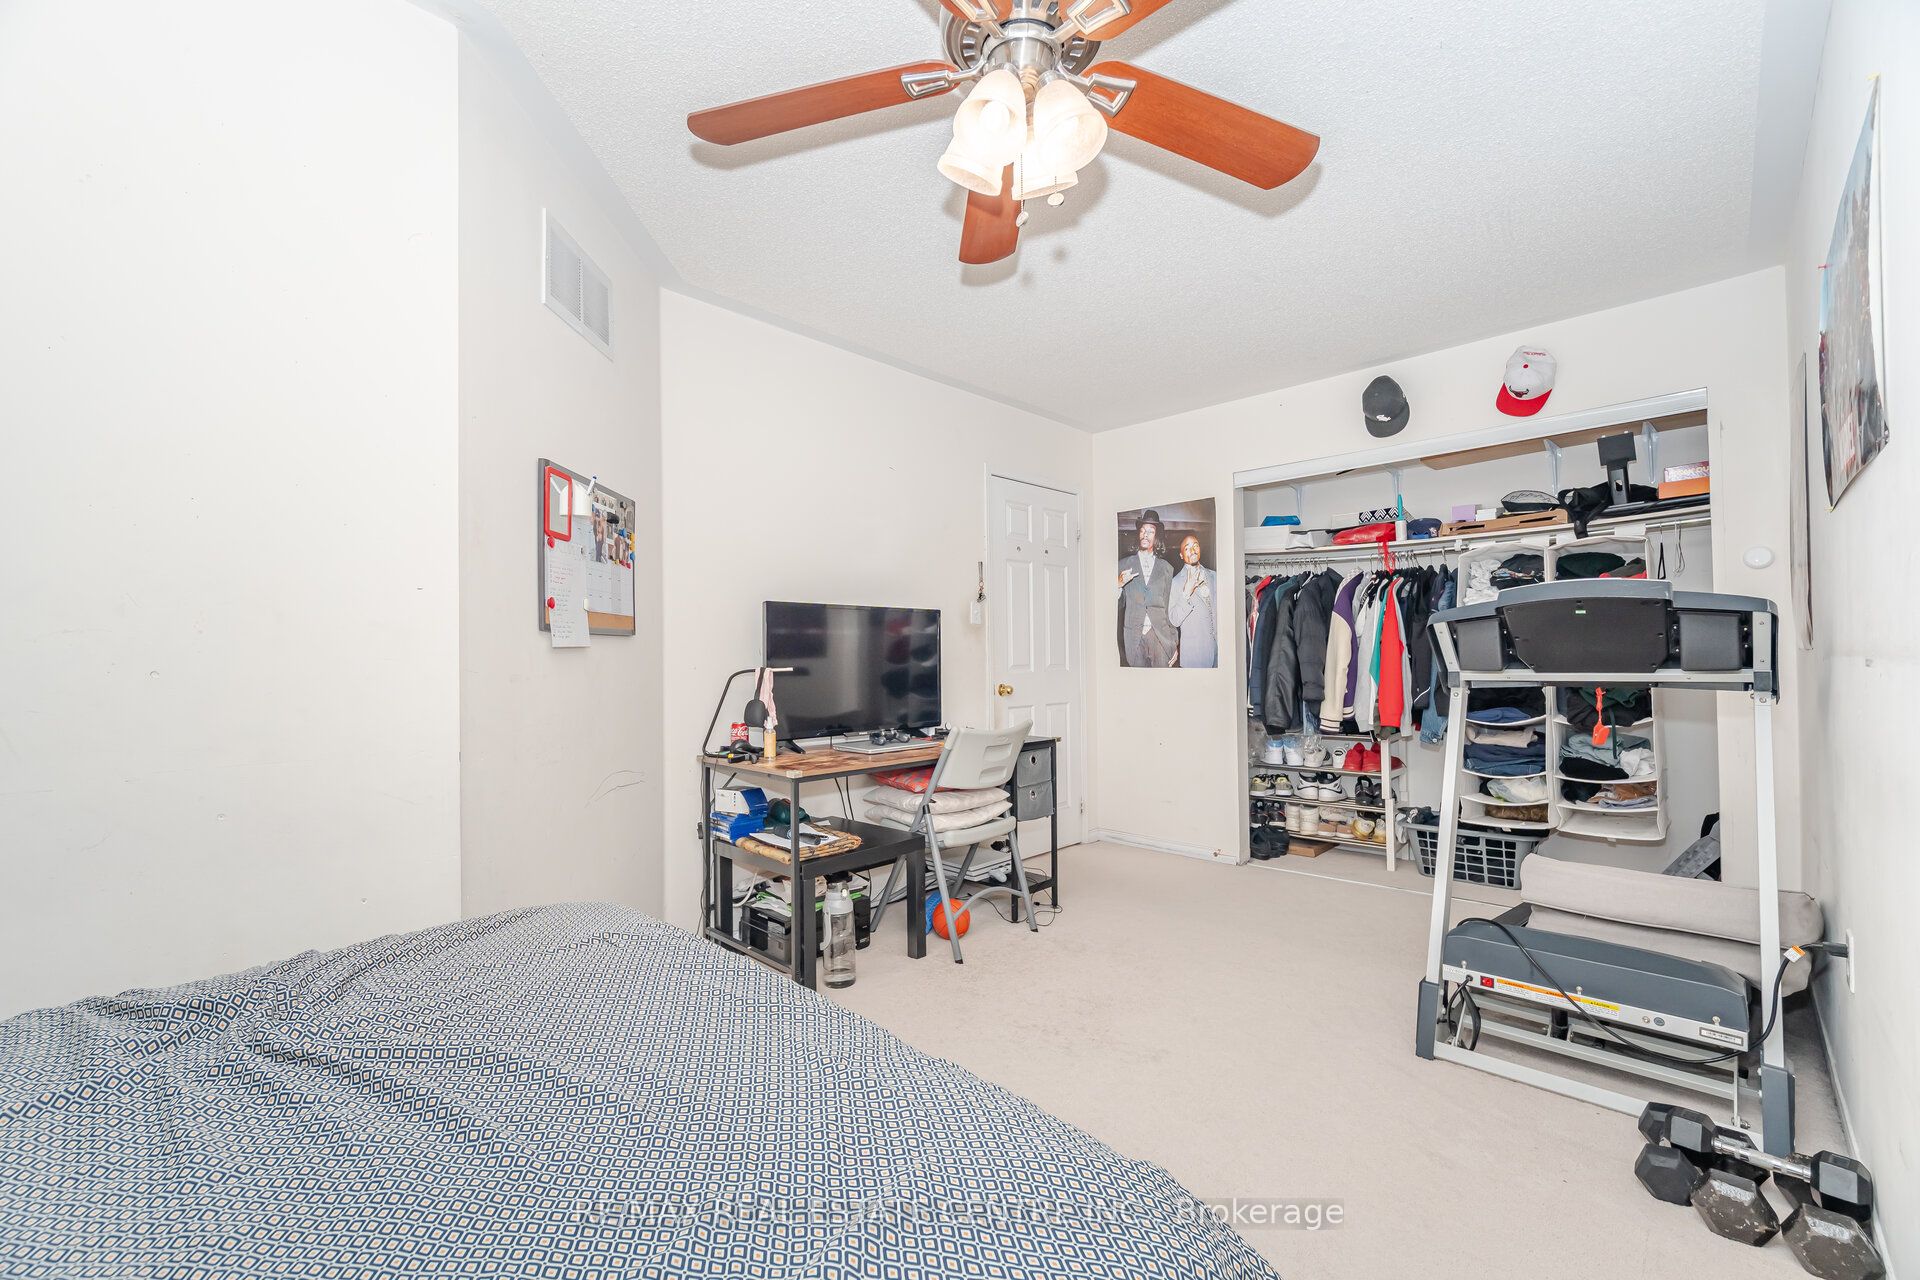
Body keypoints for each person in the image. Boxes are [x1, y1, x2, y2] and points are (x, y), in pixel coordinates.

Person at [1116, 510, 1177, 667]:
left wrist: (1174, 642)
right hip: (1133, 638)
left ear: (1156, 537)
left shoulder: (1167, 568)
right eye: (1143, 530)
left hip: (1160, 638)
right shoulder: (1122, 565)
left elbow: (1168, 608)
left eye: (1151, 531)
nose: (1145, 535)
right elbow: (1115, 606)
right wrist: (1118, 585)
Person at [1166, 532, 1217, 668]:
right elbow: (1174, 619)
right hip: (1195, 656)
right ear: (1181, 555)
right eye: (1187, 548)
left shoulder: (1215, 576)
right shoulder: (1175, 582)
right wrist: (1186, 594)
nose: (1193, 550)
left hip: (1220, 654)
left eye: (1195, 546)